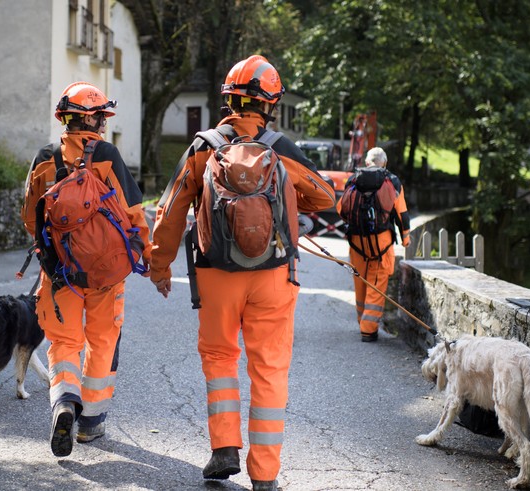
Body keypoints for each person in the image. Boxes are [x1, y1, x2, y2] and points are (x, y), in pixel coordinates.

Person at [148, 55, 336, 491]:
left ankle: (224, 449)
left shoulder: (203, 146)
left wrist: (160, 267)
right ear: (269, 104)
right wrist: (287, 204)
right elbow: (326, 196)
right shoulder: (280, 147)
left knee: (219, 357)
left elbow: (171, 211)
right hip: (274, 273)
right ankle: (266, 476)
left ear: (228, 98)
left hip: (215, 273)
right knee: (269, 368)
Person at [30, 82, 153, 457]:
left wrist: (53, 256)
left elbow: (29, 217)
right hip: (106, 272)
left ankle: (65, 402)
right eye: (102, 117)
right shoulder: (107, 155)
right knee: (102, 342)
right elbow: (133, 210)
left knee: (64, 342)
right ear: (96, 119)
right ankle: (90, 424)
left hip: (59, 271)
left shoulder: (44, 158)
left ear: (64, 119)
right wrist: (145, 253)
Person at [342, 146, 410, 342]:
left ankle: (362, 320)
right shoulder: (392, 181)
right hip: (381, 243)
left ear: (367, 162)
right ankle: (368, 329)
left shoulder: (353, 179)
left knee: (360, 281)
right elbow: (401, 212)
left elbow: (342, 209)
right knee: (377, 283)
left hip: (357, 242)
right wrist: (405, 238)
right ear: (385, 163)